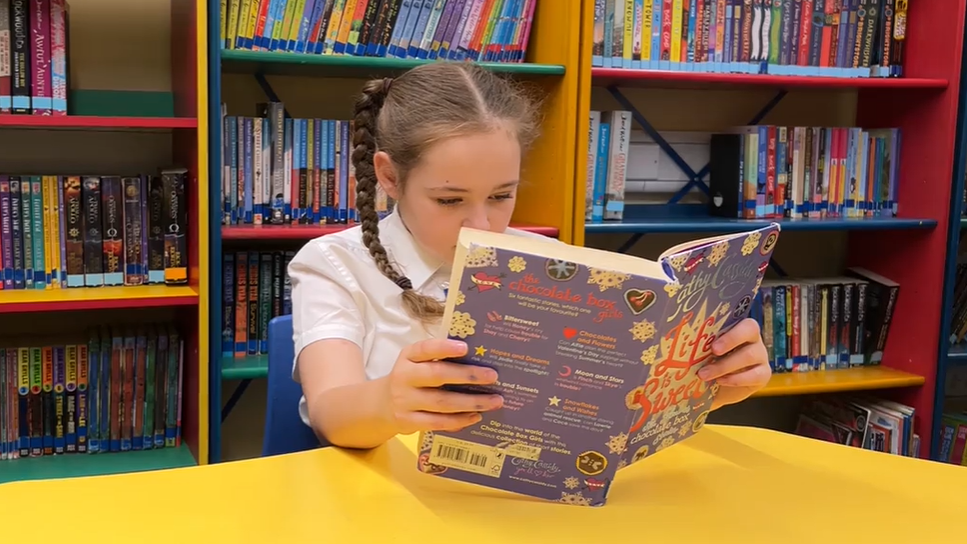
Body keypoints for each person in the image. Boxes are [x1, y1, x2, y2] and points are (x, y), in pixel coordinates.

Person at [288, 62, 772, 450]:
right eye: (450, 200)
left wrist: (709, 382)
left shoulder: (555, 263)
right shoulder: (334, 264)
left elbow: (608, 402)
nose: (481, 226)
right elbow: (331, 412)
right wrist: (388, 403)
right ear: (390, 178)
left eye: (502, 195)